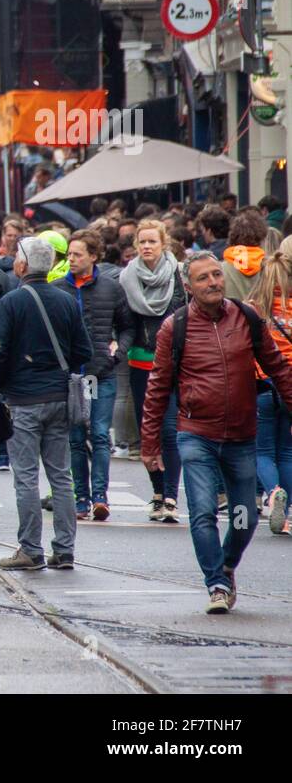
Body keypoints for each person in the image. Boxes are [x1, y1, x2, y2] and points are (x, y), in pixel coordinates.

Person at [141, 251, 292, 613]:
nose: (212, 283)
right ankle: (217, 584)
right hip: (196, 435)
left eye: (216, 276)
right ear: (188, 286)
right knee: (204, 511)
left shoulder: (246, 316)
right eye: (203, 278)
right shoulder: (174, 328)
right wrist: (149, 443)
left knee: (245, 517)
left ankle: (226, 564)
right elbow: (158, 386)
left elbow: (278, 367)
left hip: (241, 435)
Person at [0, 237, 92, 571]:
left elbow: (1, 353)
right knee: (61, 477)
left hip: (22, 399)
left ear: (21, 265)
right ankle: (65, 550)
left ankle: (30, 549)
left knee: (26, 478)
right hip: (59, 397)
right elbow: (84, 352)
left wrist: (3, 381)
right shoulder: (66, 301)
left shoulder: (11, 302)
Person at [56, 229, 133, 520]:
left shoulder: (111, 288)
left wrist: (118, 351)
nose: (71, 259)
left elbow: (127, 326)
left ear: (93, 256)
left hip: (102, 372)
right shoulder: (60, 288)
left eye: (77, 254)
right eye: (69, 254)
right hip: (73, 376)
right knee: (76, 437)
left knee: (99, 434)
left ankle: (100, 496)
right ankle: (81, 498)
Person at [120, 219, 187, 521]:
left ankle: (172, 496)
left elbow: (187, 318)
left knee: (170, 430)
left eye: (152, 242)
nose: (147, 247)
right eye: (142, 242)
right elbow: (125, 322)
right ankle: (157, 492)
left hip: (172, 364)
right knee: (149, 432)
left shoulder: (179, 275)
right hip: (140, 362)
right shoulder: (127, 277)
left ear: (163, 244)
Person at [247, 235, 292, 535]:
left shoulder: (255, 306)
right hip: (290, 382)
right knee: (287, 450)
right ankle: (287, 513)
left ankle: (273, 492)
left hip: (263, 383)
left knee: (262, 451)